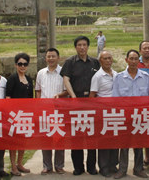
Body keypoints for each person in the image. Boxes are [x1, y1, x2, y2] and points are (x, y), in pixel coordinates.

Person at [60, 36, 100, 176]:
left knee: (91, 136)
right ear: (75, 47)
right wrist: (73, 97)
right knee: (76, 136)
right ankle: (78, 167)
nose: (82, 47)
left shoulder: (95, 62)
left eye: (84, 45)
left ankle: (91, 167)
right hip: (75, 103)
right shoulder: (70, 62)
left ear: (88, 46)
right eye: (79, 45)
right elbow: (66, 79)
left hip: (92, 103)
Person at [112, 50, 149, 179]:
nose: (134, 61)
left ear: (138, 61)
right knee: (124, 144)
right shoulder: (119, 77)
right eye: (131, 58)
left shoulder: (145, 77)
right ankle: (122, 169)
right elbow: (116, 98)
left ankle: (138, 169)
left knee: (139, 144)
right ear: (126, 60)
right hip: (125, 116)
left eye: (136, 59)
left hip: (141, 116)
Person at [35, 48, 67, 175]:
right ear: (46, 58)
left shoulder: (63, 72)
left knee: (59, 138)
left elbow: (67, 90)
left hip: (59, 109)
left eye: (53, 56)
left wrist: (60, 95)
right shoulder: (41, 73)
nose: (51, 59)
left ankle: (59, 165)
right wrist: (39, 104)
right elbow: (38, 90)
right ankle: (47, 166)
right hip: (45, 111)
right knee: (45, 138)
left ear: (58, 58)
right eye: (49, 56)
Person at [90, 50, 118, 178]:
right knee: (104, 141)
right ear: (100, 61)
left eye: (109, 58)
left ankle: (113, 165)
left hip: (116, 113)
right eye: (105, 59)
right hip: (103, 113)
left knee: (115, 140)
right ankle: (104, 167)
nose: (108, 61)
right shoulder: (97, 76)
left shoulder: (117, 74)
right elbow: (92, 96)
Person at [6, 53, 34, 176]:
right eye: (20, 64)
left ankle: (20, 163)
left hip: (26, 115)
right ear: (16, 65)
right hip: (14, 115)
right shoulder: (12, 79)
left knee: (23, 141)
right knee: (13, 142)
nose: (22, 66)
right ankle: (13, 166)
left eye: (25, 64)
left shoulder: (29, 79)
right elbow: (8, 97)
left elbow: (30, 98)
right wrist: (12, 114)